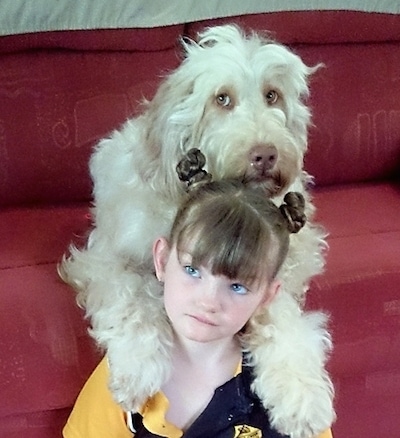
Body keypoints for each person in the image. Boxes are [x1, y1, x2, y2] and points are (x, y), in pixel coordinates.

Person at [63, 154, 332, 438]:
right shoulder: (127, 371)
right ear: (162, 259)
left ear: (268, 295)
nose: (208, 301)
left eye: (237, 286)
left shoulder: (287, 391)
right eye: (192, 270)